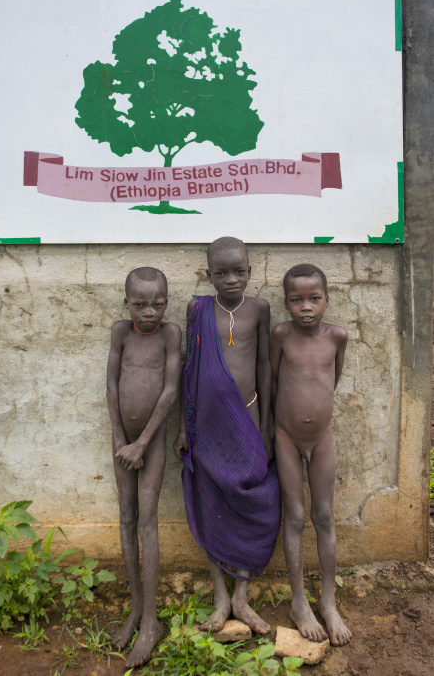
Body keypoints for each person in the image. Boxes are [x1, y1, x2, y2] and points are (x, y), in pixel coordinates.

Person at [174, 237, 281, 635]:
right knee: (212, 503)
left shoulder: (260, 309)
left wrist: (266, 426)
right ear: (209, 275)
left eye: (239, 271)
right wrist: (186, 426)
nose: (231, 279)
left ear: (251, 271)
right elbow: (189, 370)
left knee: (255, 501)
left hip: (250, 420)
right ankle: (220, 598)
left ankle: (242, 597)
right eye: (221, 273)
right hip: (208, 424)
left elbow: (266, 369)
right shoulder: (197, 309)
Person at [271, 263, 352, 647]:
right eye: (296, 300)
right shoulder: (281, 335)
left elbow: (331, 382)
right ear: (286, 303)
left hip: (321, 438)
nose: (306, 307)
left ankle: (329, 601)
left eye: (314, 299)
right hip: (286, 436)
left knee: (322, 515)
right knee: (296, 515)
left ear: (326, 300)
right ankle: (299, 601)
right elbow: (272, 382)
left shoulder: (338, 337)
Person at [106, 267, 182, 667]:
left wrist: (141, 443)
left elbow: (170, 390)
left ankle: (151, 622)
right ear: (126, 303)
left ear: (167, 302)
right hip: (123, 443)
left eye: (157, 304)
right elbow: (111, 387)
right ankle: (135, 608)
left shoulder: (170, 335)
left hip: (149, 445)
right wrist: (120, 440)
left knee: (147, 521)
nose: (149, 312)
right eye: (139, 304)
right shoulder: (121, 332)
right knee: (126, 518)